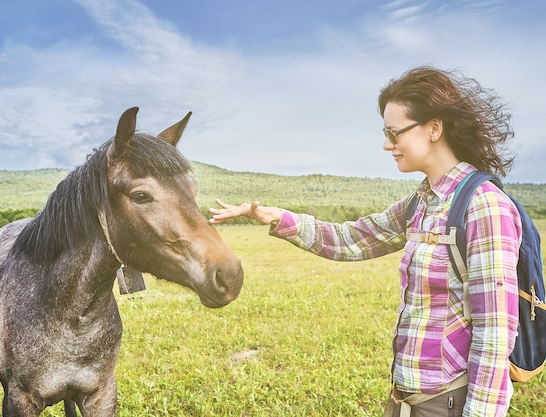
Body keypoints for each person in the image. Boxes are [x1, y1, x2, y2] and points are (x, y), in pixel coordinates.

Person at [209, 66, 521, 417]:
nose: (387, 144)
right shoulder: (421, 203)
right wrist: (277, 217)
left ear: (434, 128)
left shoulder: (483, 206)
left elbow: (495, 333)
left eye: (394, 132)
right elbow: (349, 239)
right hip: (406, 397)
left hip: (447, 401)